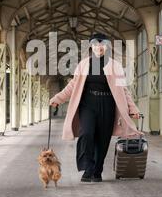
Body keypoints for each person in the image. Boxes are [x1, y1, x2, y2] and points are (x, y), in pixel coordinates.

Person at [49, 33, 142, 183]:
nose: (99, 48)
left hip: (108, 104)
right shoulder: (83, 64)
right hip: (88, 104)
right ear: (91, 47)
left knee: (102, 140)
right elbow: (72, 85)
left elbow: (124, 90)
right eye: (96, 45)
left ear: (107, 47)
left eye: (102, 45)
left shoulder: (115, 65)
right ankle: (88, 169)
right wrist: (57, 99)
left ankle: (97, 170)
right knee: (86, 133)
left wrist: (133, 108)